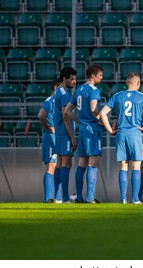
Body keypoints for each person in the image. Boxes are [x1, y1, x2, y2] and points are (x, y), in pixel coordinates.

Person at [99, 72, 143, 204]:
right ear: (138, 83)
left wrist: (110, 130)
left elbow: (103, 113)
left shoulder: (117, 96)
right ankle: (135, 199)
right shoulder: (142, 96)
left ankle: (123, 198)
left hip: (121, 134)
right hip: (135, 134)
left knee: (123, 166)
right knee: (136, 166)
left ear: (127, 82)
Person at [64, 64, 103, 203]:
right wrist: (103, 118)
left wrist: (80, 120)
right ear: (93, 75)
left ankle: (79, 197)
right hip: (93, 129)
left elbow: (67, 111)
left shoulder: (79, 89)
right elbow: (94, 108)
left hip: (82, 130)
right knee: (93, 162)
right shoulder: (93, 90)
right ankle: (90, 197)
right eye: (100, 75)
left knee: (82, 163)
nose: (102, 77)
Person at [53, 67, 77, 203]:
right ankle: (65, 198)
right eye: (71, 79)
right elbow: (65, 115)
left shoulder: (58, 91)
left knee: (59, 164)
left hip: (59, 134)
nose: (74, 82)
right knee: (66, 164)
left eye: (75, 79)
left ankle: (57, 196)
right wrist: (73, 136)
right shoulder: (65, 95)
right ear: (64, 79)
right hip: (64, 134)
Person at [38, 78, 62, 203]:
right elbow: (40, 115)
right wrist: (48, 128)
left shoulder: (60, 102)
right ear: (55, 87)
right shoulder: (50, 101)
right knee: (51, 167)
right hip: (51, 137)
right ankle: (48, 198)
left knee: (59, 167)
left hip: (59, 137)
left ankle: (57, 198)